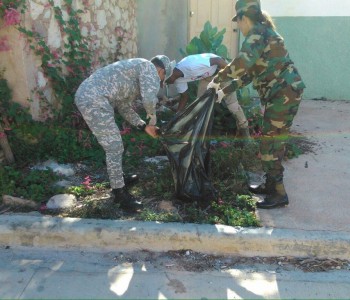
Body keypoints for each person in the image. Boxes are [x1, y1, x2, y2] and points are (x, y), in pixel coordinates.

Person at [207, 0, 306, 209]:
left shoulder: (258, 34)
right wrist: (224, 91)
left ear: (244, 17)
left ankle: (278, 194)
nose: (239, 27)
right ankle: (271, 186)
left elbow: (241, 63)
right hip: (283, 94)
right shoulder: (264, 33)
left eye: (238, 22)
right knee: (272, 141)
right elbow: (249, 73)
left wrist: (217, 79)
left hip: (283, 95)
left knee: (271, 144)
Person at [74, 55, 174, 211]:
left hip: (92, 97)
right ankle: (120, 195)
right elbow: (149, 99)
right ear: (160, 70)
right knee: (114, 147)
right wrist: (152, 119)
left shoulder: (131, 76)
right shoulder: (148, 67)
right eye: (162, 78)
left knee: (114, 146)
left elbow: (124, 107)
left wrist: (143, 126)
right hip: (93, 99)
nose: (160, 82)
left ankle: (118, 180)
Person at [165, 53, 250, 137]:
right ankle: (198, 136)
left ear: (170, 75)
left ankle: (244, 130)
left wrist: (229, 78)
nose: (166, 84)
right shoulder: (177, 80)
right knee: (200, 105)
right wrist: (175, 119)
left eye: (165, 81)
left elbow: (218, 61)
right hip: (207, 78)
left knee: (232, 105)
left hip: (221, 70)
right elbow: (184, 97)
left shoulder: (190, 64)